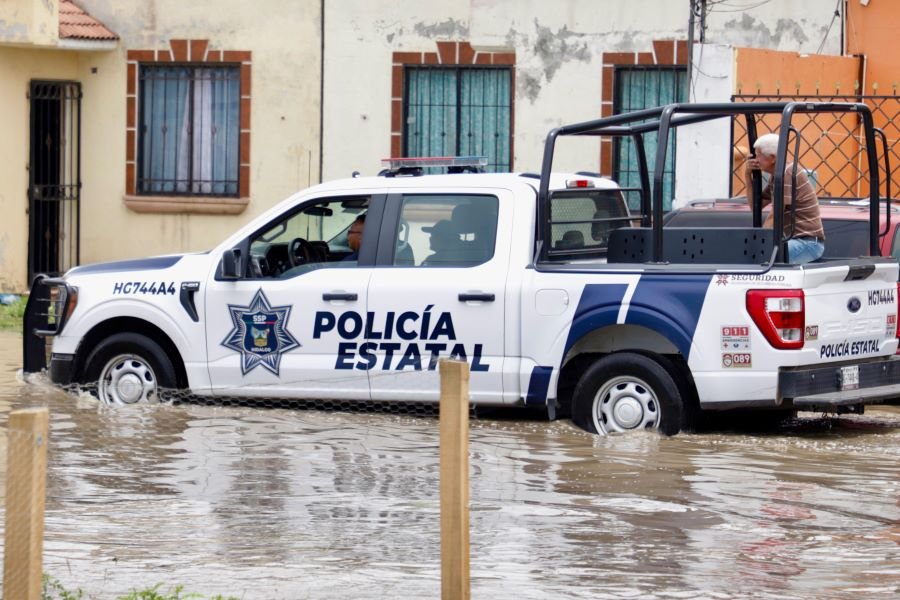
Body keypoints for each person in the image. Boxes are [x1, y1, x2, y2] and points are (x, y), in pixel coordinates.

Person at [745, 133, 825, 264]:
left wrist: (759, 242)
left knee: (761, 257)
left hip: (807, 243)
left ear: (772, 158)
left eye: (758, 154)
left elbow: (775, 215)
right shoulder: (776, 176)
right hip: (796, 240)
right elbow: (755, 206)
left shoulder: (787, 173)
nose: (755, 158)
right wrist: (748, 176)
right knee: (760, 255)